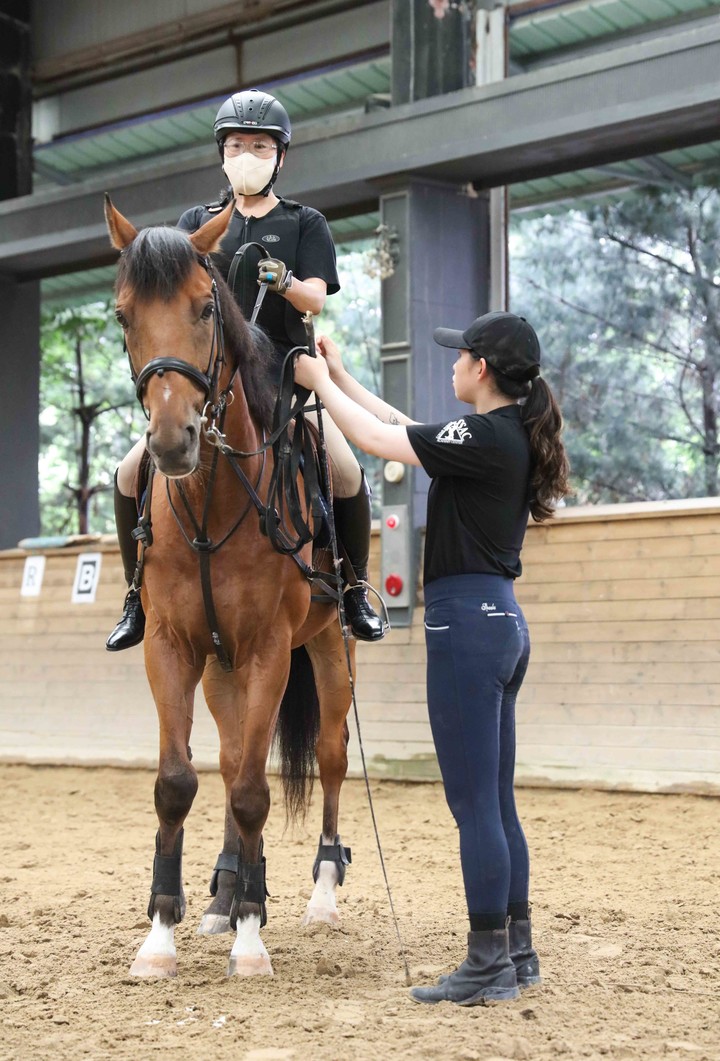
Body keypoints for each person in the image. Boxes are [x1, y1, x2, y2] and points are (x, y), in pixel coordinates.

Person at [294, 311, 570, 1006]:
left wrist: (318, 385)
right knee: (495, 799)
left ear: (482, 370)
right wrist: (344, 372)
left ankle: (486, 962)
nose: (451, 364)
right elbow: (400, 423)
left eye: (459, 354)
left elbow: (374, 438)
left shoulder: (484, 435)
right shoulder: (497, 434)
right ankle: (517, 948)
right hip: (499, 618)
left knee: (473, 802)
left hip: (466, 626)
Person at [106, 88, 385, 651]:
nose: (247, 154)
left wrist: (282, 281)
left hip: (285, 375)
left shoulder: (305, 222)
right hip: (213, 385)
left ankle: (353, 587)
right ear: (222, 152)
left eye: (260, 146)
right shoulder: (196, 222)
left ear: (281, 156)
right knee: (128, 473)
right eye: (237, 145)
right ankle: (137, 594)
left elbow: (314, 300)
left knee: (348, 471)